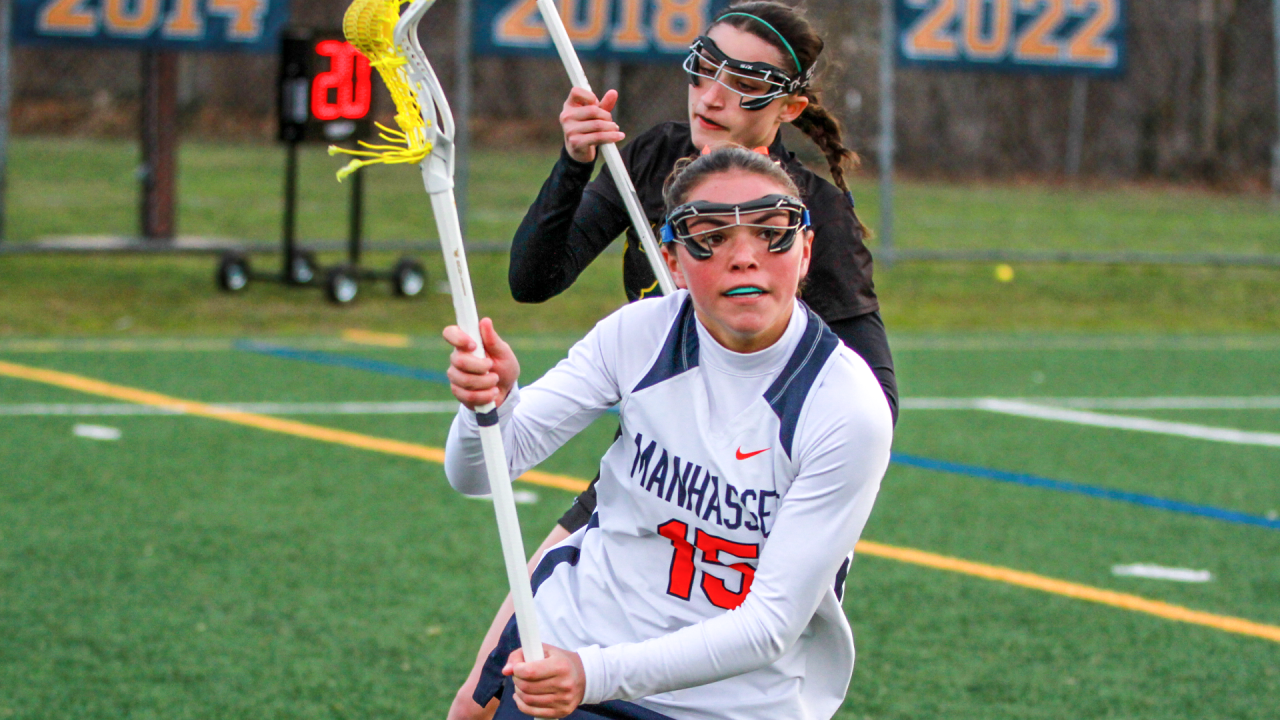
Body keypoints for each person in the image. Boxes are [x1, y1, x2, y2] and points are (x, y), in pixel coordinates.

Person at [451, 3, 896, 716]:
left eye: (746, 81)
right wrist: (575, 165)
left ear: (789, 107)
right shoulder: (655, 159)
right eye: (705, 67)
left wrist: (738, 421)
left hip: (747, 496)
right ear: (673, 251)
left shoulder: (808, 210)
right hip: (650, 470)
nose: (714, 94)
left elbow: (873, 393)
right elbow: (534, 281)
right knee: (482, 695)